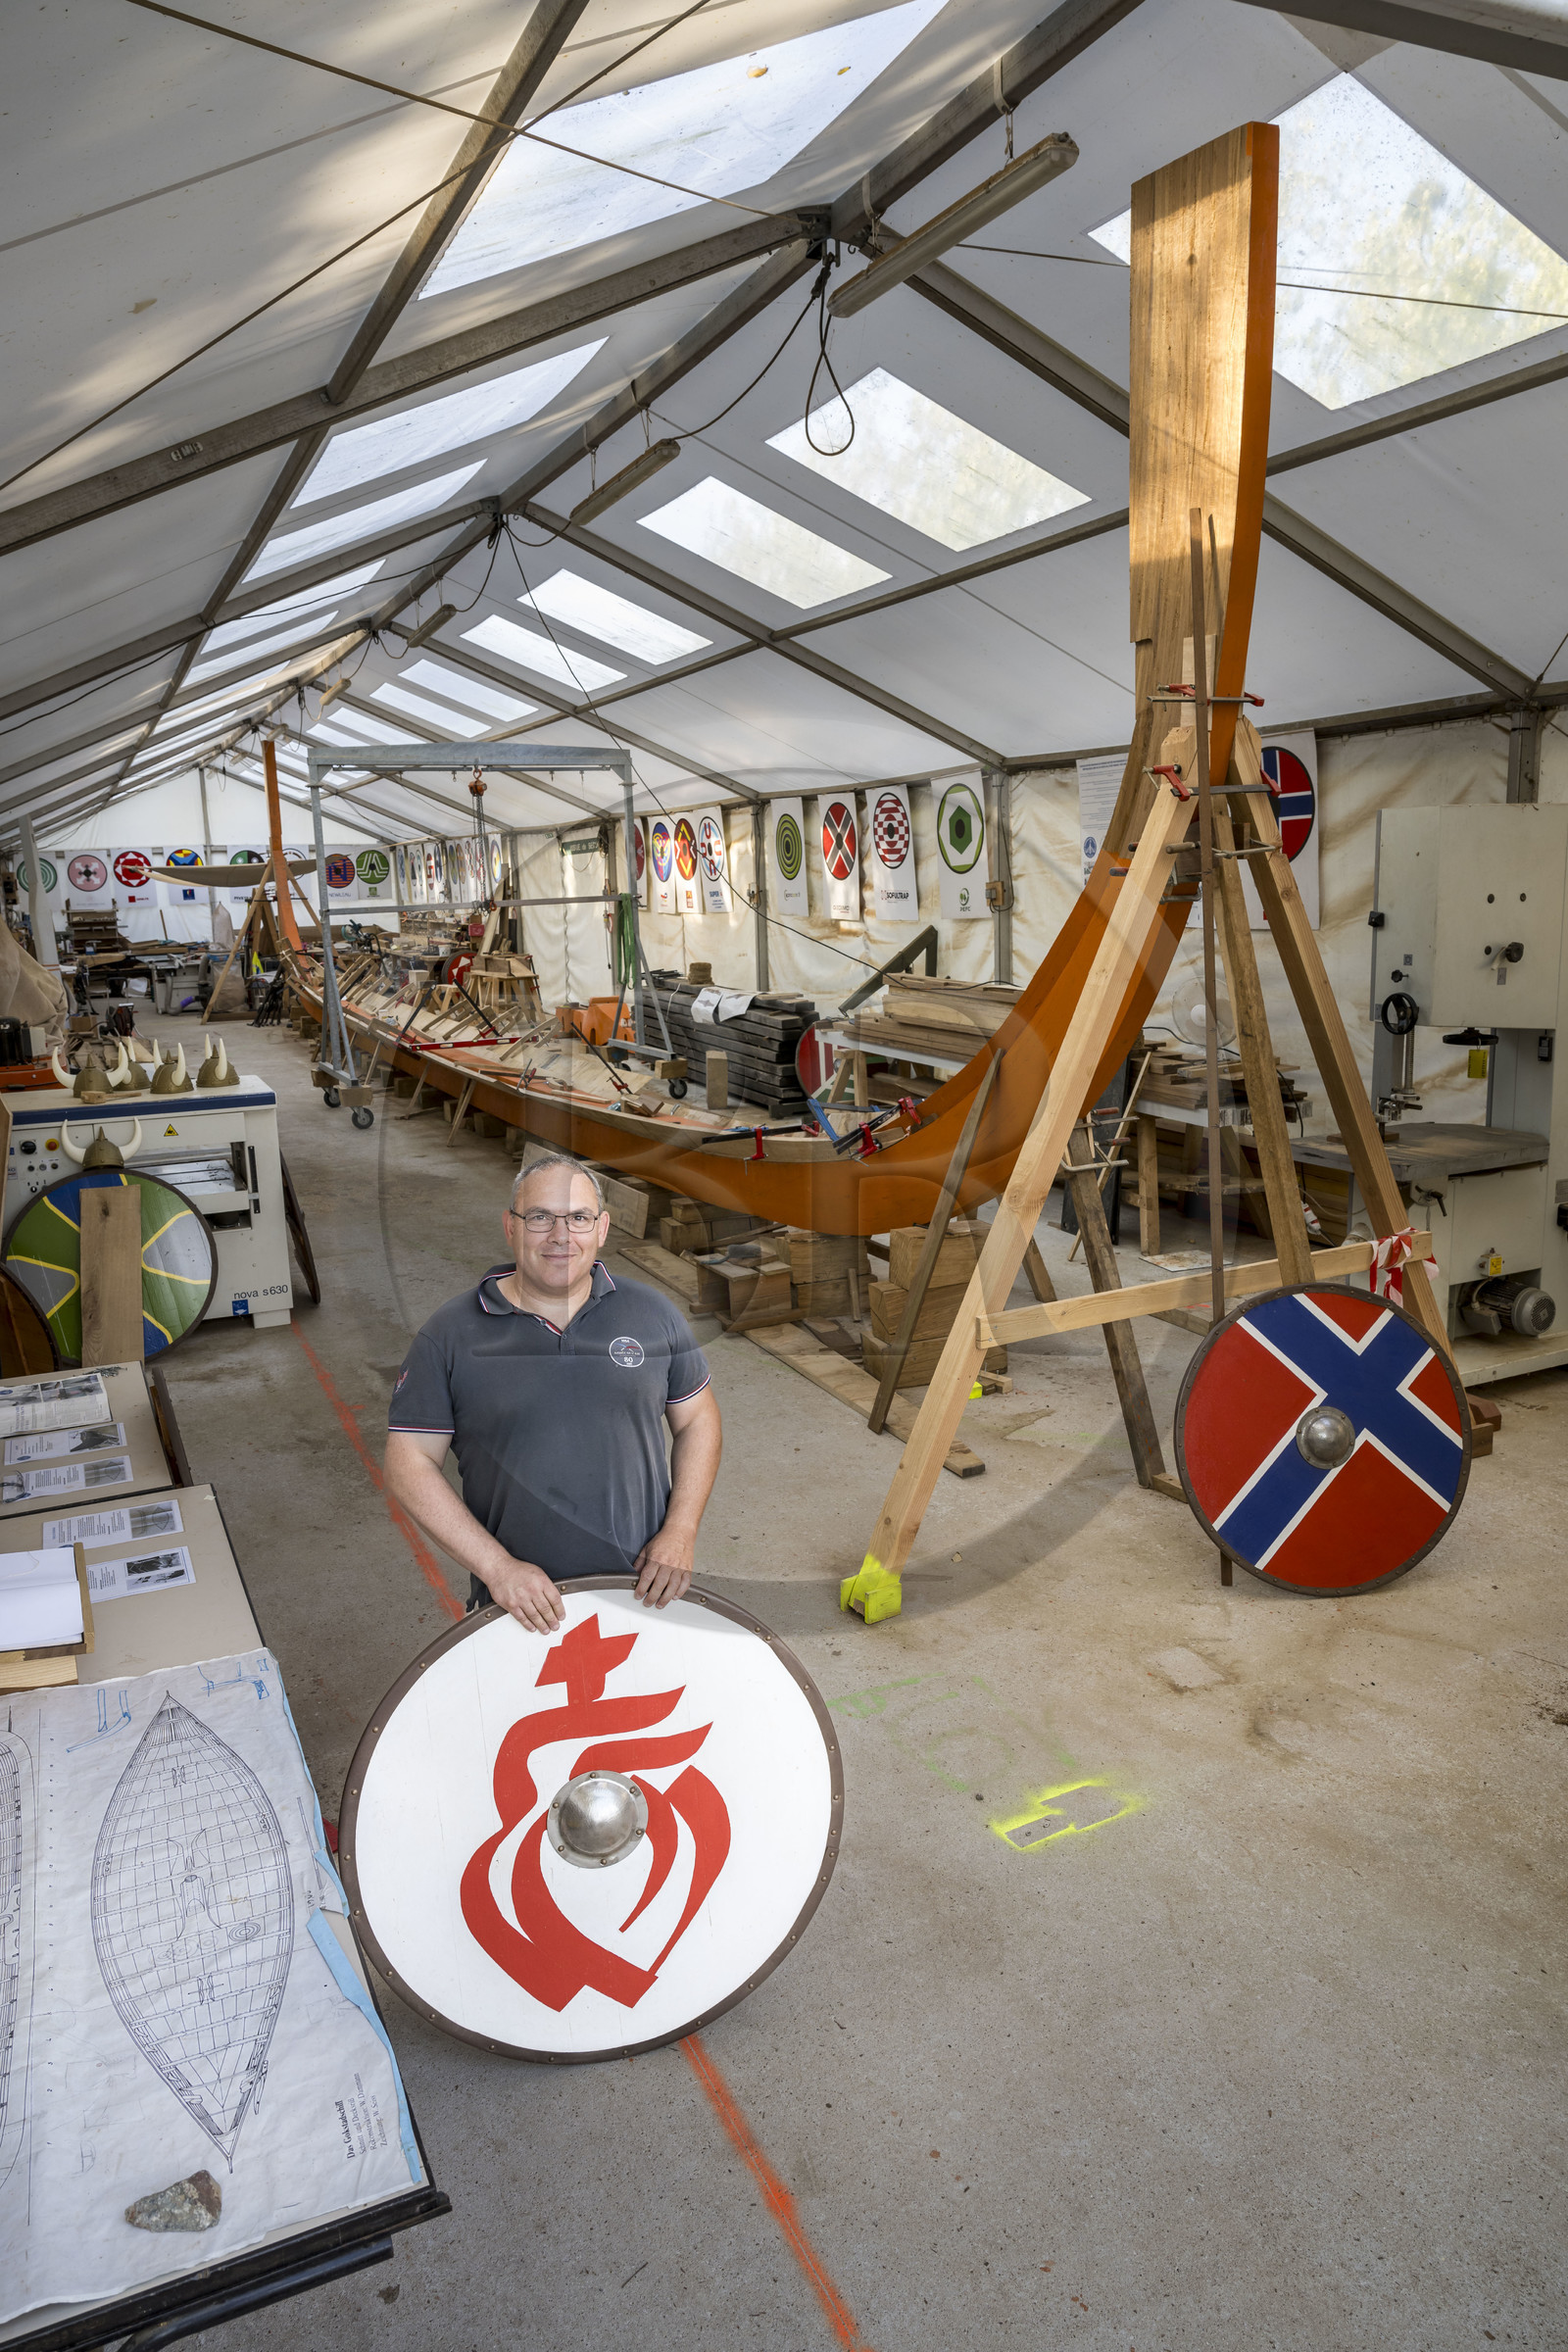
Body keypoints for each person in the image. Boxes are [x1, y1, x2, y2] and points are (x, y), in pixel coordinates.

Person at [384, 1153, 721, 1634]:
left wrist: (680, 1532)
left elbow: (698, 1421)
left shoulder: (651, 1314)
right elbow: (408, 1462)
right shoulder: (450, 1336)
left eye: (579, 1218)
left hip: (645, 1591)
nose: (561, 1236)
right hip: (519, 1607)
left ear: (602, 1229)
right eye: (540, 1217)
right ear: (511, 1226)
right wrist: (498, 1568)